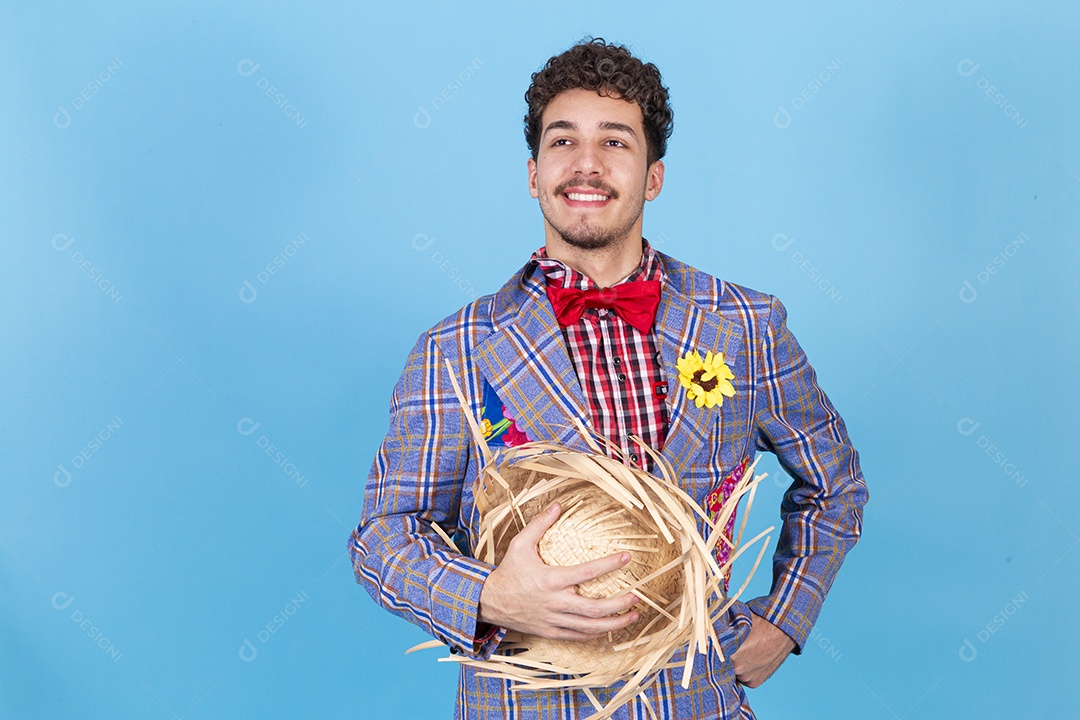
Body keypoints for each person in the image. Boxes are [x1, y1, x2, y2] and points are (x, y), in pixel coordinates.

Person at [348, 38, 868, 719]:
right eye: (563, 142)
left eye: (616, 142)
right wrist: (487, 596)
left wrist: (784, 622)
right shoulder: (454, 348)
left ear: (653, 176)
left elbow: (836, 484)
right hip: (521, 703)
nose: (586, 164)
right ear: (533, 173)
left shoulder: (743, 325)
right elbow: (384, 535)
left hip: (695, 699)